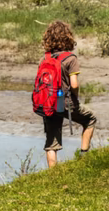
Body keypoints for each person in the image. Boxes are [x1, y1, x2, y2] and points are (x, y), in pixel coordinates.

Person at [40, 20, 98, 168]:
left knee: (52, 142)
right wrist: (75, 98)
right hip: (65, 102)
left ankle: (52, 173)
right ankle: (84, 156)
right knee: (90, 118)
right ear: (68, 37)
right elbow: (74, 84)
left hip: (48, 103)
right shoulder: (71, 59)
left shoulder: (45, 59)